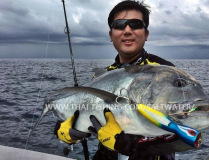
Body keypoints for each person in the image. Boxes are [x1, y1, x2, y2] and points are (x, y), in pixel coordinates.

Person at [54, 1, 194, 160]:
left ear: (146, 34)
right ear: (111, 35)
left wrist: (130, 144)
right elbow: (89, 116)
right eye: (119, 25)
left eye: (135, 24)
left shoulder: (164, 72)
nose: (127, 30)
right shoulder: (103, 76)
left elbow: (186, 133)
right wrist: (69, 129)